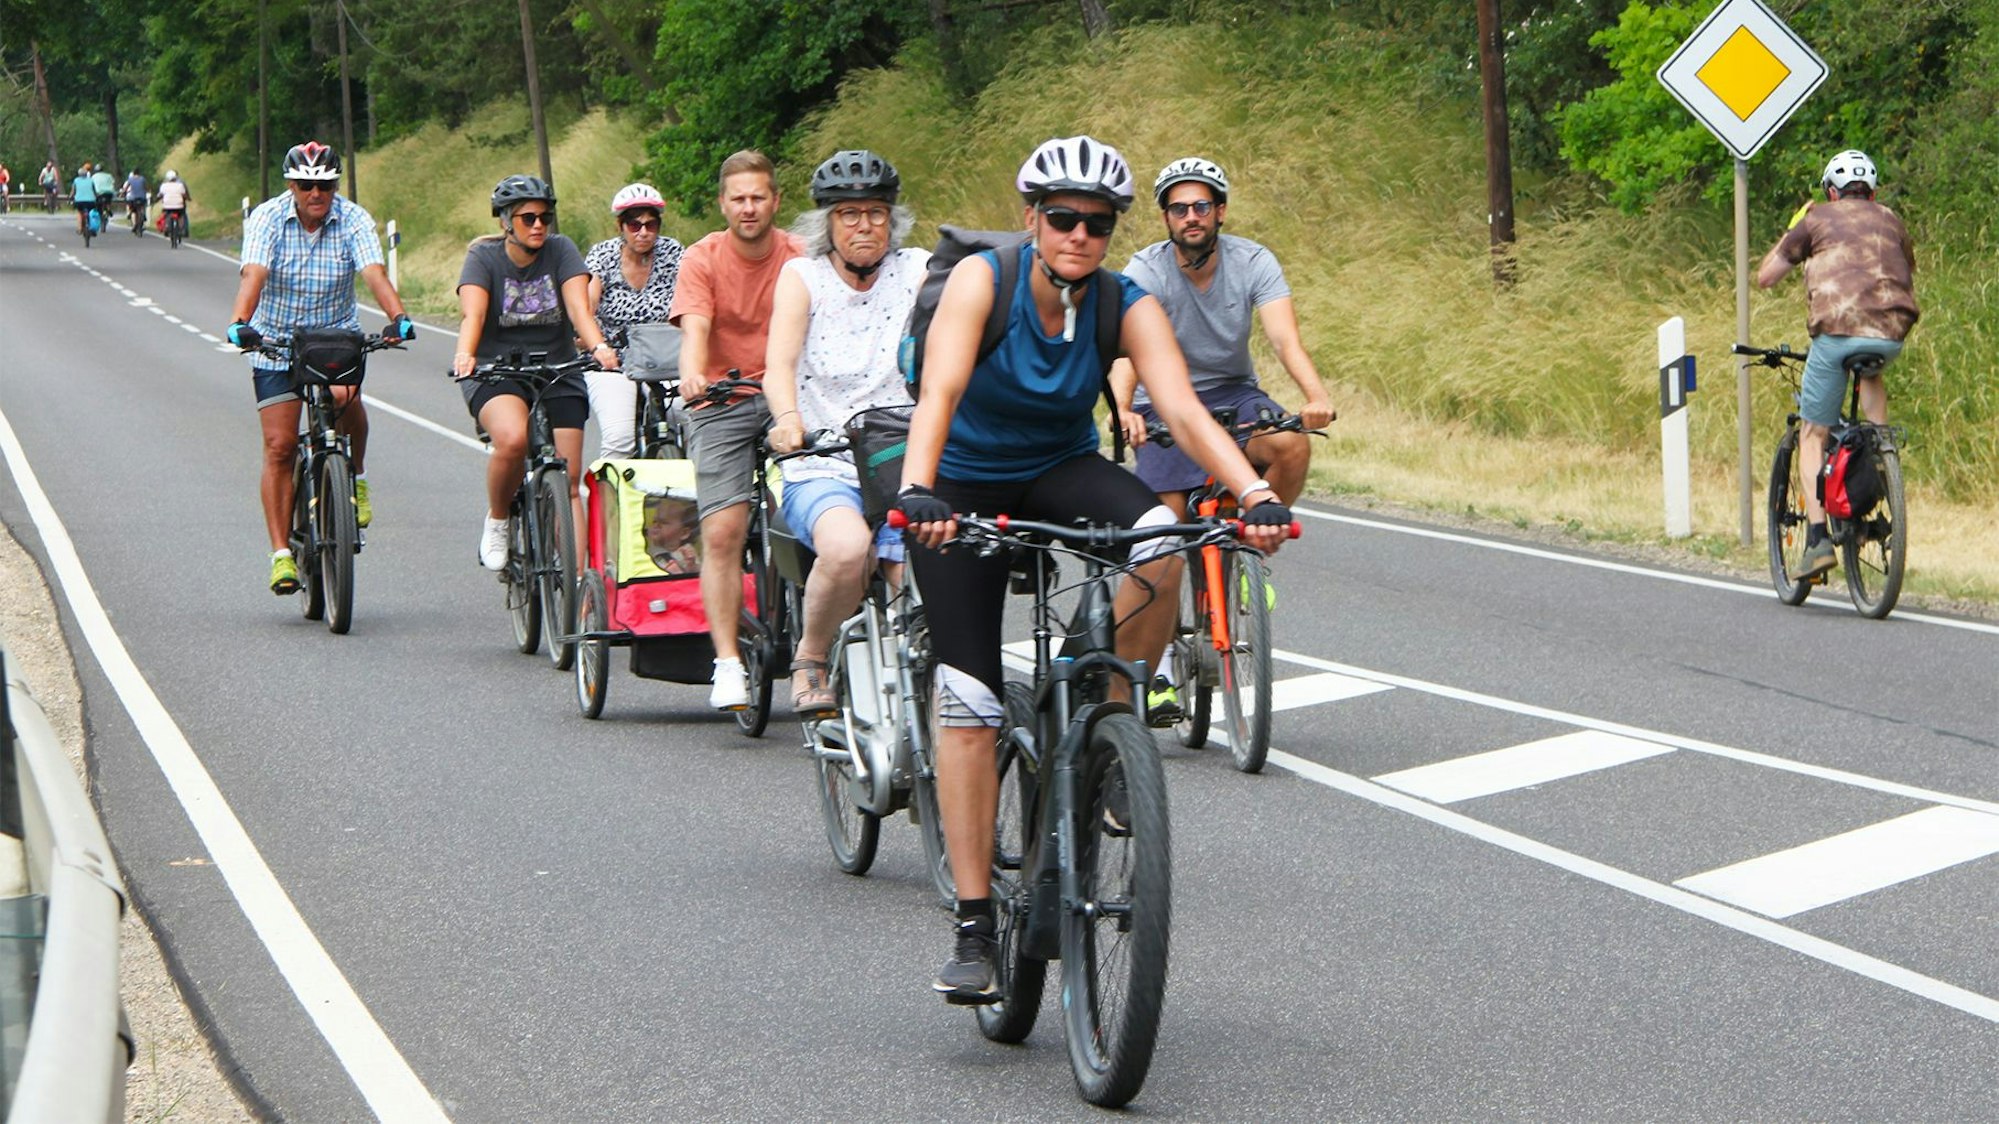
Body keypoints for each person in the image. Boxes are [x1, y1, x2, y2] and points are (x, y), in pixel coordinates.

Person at [896, 136, 1292, 1003]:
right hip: (961, 475)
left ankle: (1111, 732)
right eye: (1063, 218)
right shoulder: (984, 282)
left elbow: (1181, 408)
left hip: (1058, 464)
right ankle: (971, 924)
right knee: (968, 698)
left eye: (1098, 224)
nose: (1080, 235)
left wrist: (1254, 492)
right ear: (1032, 217)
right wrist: (920, 488)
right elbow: (941, 391)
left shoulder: (1122, 299)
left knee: (1160, 538)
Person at [1107, 156, 1335, 723]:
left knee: (1290, 446)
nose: (1191, 217)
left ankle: (1249, 547)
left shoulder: (1253, 260)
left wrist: (1314, 395)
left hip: (1234, 394)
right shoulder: (1146, 269)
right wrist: (1120, 410)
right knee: (1165, 532)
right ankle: (1156, 674)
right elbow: (1124, 351)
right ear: (1165, 218)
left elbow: (1284, 338)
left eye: (1201, 206)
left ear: (1220, 211)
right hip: (1163, 401)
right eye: (1179, 208)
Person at [763, 149, 927, 716]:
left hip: (905, 455)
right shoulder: (802, 277)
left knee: (930, 567)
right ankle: (810, 656)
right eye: (850, 214)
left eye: (876, 213)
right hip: (824, 457)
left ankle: (925, 683)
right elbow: (779, 366)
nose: (864, 225)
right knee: (848, 548)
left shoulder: (917, 270)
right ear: (827, 223)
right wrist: (788, 419)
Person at [227, 141, 415, 595]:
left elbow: (373, 272)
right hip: (275, 338)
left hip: (334, 336)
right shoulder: (268, 218)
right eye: (307, 185)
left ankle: (358, 477)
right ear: (291, 185)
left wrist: (398, 317)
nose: (317, 193)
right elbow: (254, 273)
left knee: (345, 401)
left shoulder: (352, 218)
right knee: (280, 445)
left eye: (326, 185)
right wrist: (239, 322)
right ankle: (281, 555)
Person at [667, 149, 806, 709]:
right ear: (723, 204)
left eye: (758, 197)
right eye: (738, 198)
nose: (749, 207)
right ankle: (727, 662)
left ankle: (816, 646)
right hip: (722, 399)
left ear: (775, 200)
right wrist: (693, 376)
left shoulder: (800, 257)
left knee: (811, 516)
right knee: (722, 533)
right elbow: (694, 331)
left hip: (787, 396)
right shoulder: (702, 258)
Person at [1755, 148, 1918, 579]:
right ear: (1873, 192)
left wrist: (1792, 228)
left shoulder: (1816, 219)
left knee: (1813, 433)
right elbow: (1906, 269)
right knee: (1871, 372)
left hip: (1836, 334)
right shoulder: (1892, 219)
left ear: (1831, 191)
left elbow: (1766, 277)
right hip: (1891, 333)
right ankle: (1882, 448)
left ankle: (1817, 539)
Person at [453, 174, 616, 572]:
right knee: (512, 439)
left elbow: (579, 309)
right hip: (497, 370)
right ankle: (498, 520)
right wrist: (464, 354)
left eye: (545, 216)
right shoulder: (484, 258)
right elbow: (473, 313)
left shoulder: (561, 250)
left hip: (558, 367)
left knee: (570, 477)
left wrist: (598, 347)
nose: (539, 225)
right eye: (528, 218)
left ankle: (578, 595)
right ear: (506, 221)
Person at [584, 182, 684, 459]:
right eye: (634, 225)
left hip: (666, 359)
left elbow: (693, 300)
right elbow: (586, 309)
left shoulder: (673, 253)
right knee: (620, 438)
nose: (643, 232)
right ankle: (610, 501)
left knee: (694, 423)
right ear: (620, 226)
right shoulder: (602, 257)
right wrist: (597, 347)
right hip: (614, 361)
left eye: (651, 225)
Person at [644, 494, 702, 575]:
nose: (656, 526)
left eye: (664, 522)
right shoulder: (644, 549)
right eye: (654, 521)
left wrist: (692, 568)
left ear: (684, 533)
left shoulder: (688, 555)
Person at [156, 170, 191, 237]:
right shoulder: (180, 185)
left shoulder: (164, 186)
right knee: (181, 215)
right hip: (179, 206)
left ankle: (166, 226)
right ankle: (181, 229)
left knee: (166, 214)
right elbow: (184, 195)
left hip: (167, 206)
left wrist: (156, 199)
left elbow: (160, 195)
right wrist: (188, 198)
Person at [70, 163, 99, 234]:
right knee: (91, 212)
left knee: (80, 213)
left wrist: (70, 197)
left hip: (79, 201)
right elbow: (94, 191)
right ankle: (91, 227)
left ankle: (79, 228)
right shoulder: (91, 180)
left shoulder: (76, 180)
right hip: (91, 201)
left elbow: (73, 192)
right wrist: (97, 197)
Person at [123, 168, 148, 232]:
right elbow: (146, 187)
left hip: (133, 198)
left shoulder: (130, 179)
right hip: (142, 198)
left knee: (133, 210)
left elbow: (126, 188)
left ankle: (131, 217)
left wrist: (123, 193)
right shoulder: (142, 179)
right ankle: (143, 216)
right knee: (142, 207)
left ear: (133, 173)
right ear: (139, 173)